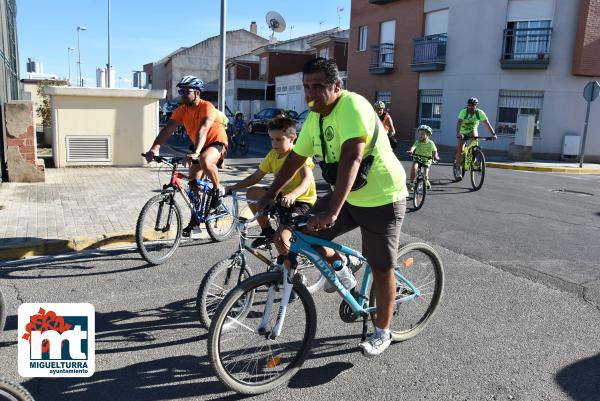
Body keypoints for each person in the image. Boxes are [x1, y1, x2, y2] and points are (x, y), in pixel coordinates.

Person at [257, 58, 408, 358]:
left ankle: (383, 331)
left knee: (381, 268)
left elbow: (352, 158)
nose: (310, 93)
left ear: (336, 86)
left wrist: (332, 212)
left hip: (383, 198)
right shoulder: (314, 118)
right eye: (306, 86)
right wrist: (270, 194)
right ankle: (344, 266)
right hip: (349, 195)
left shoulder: (352, 107)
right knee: (303, 232)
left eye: (318, 87)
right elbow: (295, 161)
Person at [144, 75, 228, 236]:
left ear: (196, 92)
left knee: (204, 159)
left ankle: (218, 189)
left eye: (185, 90)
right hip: (197, 144)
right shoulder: (181, 110)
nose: (181, 93)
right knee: (194, 185)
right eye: (180, 90)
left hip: (215, 141)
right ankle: (195, 222)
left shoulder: (207, 106)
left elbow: (203, 129)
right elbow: (167, 130)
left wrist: (196, 152)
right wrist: (155, 148)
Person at [225, 116, 317, 254]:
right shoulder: (273, 155)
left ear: (292, 138)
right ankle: (267, 231)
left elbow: (307, 180)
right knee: (252, 193)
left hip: (301, 201)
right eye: (272, 139)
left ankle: (288, 267)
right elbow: (256, 176)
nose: (274, 144)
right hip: (282, 196)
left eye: (279, 139)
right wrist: (234, 187)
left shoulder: (299, 154)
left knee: (281, 238)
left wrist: (293, 195)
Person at [455, 97, 496, 175]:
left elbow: (487, 124)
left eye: (473, 105)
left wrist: (493, 134)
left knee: (475, 142)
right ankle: (457, 167)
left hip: (472, 130)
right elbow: (459, 123)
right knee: (460, 150)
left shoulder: (479, 113)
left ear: (476, 105)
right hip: (462, 131)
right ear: (467, 105)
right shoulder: (464, 112)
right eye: (470, 105)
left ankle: (476, 160)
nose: (471, 107)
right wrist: (458, 133)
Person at [407, 125, 439, 190]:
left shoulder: (431, 143)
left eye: (422, 134)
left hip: (427, 159)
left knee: (425, 173)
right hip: (417, 157)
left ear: (427, 135)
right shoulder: (417, 142)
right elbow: (413, 147)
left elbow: (435, 150)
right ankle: (411, 183)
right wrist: (411, 151)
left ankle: (426, 180)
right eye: (419, 134)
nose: (420, 135)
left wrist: (436, 156)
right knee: (414, 167)